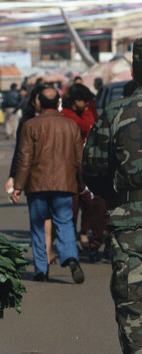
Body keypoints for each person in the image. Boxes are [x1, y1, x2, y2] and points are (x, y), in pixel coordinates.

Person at [82, 37, 142, 354]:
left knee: (135, 321)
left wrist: (122, 199)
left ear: (134, 70)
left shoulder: (117, 112)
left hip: (132, 232)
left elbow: (92, 170)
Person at [11, 86, 85, 283]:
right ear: (58, 102)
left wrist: (18, 186)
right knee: (65, 222)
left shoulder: (31, 125)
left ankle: (41, 270)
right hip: (64, 182)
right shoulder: (71, 125)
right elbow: (79, 158)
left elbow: (24, 158)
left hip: (37, 183)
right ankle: (70, 256)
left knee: (37, 226)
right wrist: (81, 183)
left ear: (38, 102)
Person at [61, 84, 106, 262]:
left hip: (88, 164)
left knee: (88, 203)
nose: (86, 104)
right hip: (70, 166)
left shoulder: (86, 113)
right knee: (72, 207)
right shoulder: (65, 116)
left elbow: (93, 126)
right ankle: (71, 240)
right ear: (73, 101)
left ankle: (83, 234)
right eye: (83, 101)